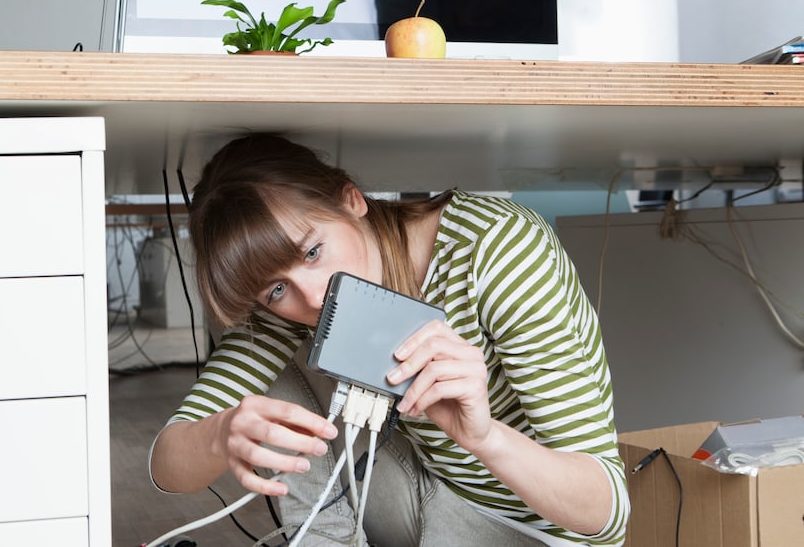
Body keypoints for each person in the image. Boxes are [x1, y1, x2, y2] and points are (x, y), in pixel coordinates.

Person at [149, 133, 629, 546]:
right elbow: (166, 463)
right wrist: (221, 434)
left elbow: (607, 515)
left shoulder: (495, 253)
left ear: (351, 200)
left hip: (540, 525)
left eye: (313, 251)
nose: (313, 297)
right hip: (433, 494)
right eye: (277, 289)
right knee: (256, 374)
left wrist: (484, 437)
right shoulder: (297, 301)